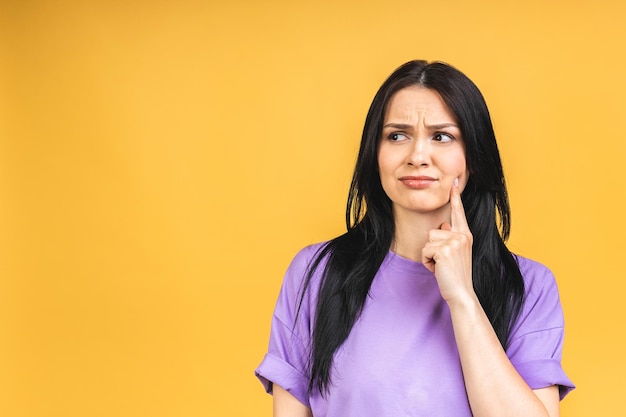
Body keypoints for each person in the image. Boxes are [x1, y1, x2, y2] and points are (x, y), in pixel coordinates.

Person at [255, 60, 574, 417]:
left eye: (441, 136)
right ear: (374, 155)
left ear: (473, 157)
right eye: (397, 135)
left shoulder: (529, 287)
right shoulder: (316, 273)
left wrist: (463, 298)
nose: (418, 157)